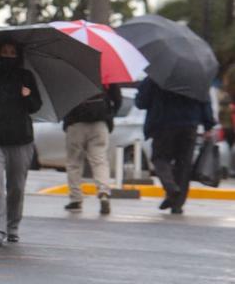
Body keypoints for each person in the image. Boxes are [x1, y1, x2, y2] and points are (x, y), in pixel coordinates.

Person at [0, 38, 43, 247]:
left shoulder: (26, 77)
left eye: (13, 52)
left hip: (21, 140)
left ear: (18, 55)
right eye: (5, 51)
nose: (9, 56)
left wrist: (27, 95)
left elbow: (36, 106)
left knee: (17, 187)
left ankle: (13, 226)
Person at [135, 76, 214, 215]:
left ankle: (170, 187)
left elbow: (141, 102)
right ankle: (177, 204)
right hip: (189, 125)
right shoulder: (197, 78)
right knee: (183, 165)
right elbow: (205, 102)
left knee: (160, 159)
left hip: (163, 125)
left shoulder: (157, 75)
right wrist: (208, 124)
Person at [62, 86, 123, 215]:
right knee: (99, 160)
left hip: (76, 123)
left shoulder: (72, 72)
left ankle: (76, 200)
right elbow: (118, 99)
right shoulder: (106, 73)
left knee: (74, 163)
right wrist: (109, 115)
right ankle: (104, 192)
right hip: (100, 124)